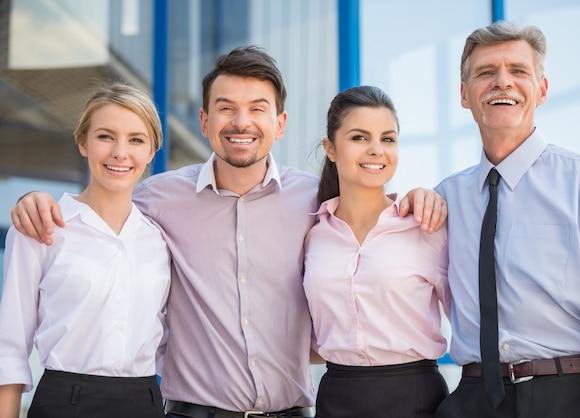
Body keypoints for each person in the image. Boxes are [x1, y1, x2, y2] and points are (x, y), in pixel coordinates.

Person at [9, 46, 448, 417]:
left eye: (257, 109)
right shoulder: (156, 200)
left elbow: (366, 214)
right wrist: (37, 201)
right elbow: (102, 206)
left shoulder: (314, 201)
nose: (242, 122)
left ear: (280, 123)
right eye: (226, 108)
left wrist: (417, 196)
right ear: (203, 121)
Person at [433, 21, 580, 418]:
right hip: (472, 399)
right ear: (465, 95)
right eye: (486, 72)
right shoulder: (445, 198)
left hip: (571, 397)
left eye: (518, 71)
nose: (502, 82)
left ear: (541, 89)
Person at [0, 82, 171, 418]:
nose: (120, 152)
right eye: (105, 136)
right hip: (63, 403)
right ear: (83, 142)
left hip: (145, 402)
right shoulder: (42, 227)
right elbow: (10, 348)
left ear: (152, 152)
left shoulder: (161, 241)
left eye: (136, 140)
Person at [304, 85, 451, 418]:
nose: (376, 150)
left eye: (387, 139)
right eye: (359, 138)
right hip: (336, 397)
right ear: (330, 148)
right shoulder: (313, 236)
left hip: (416, 399)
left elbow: (471, 319)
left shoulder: (426, 226)